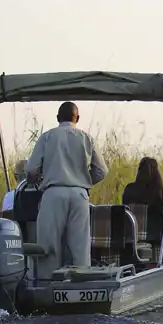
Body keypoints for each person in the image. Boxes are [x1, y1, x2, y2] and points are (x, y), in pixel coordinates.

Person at [25, 102, 108, 275]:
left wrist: (37, 180)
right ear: (77, 118)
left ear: (57, 118)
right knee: (80, 248)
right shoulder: (87, 138)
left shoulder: (47, 137)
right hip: (80, 195)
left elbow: (31, 170)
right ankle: (80, 286)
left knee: (49, 246)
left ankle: (48, 286)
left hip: (53, 193)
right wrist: (84, 180)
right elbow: (102, 171)